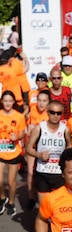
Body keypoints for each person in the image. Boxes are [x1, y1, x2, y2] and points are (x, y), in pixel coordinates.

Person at [26, 99, 72, 204]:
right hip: (42, 171)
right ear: (47, 112)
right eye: (52, 112)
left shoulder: (65, 129)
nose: (55, 115)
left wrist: (67, 155)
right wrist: (39, 155)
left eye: (58, 113)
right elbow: (28, 148)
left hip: (59, 172)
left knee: (59, 204)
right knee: (44, 206)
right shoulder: (39, 128)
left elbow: (69, 146)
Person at [0, 90, 27, 218]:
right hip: (0, 152)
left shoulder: (19, 116)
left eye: (10, 101)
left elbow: (22, 134)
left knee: (11, 182)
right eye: (5, 100)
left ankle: (11, 202)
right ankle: (2, 198)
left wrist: (17, 136)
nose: (7, 103)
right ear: (1, 101)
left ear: (13, 102)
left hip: (13, 152)